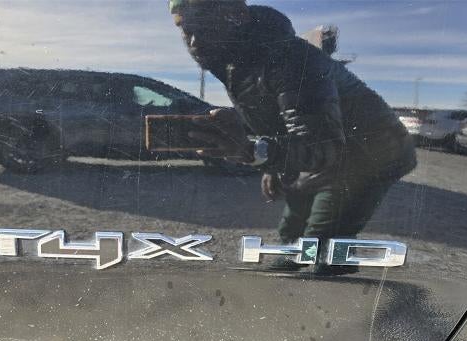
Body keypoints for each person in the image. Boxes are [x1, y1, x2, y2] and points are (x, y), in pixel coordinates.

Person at [170, 0, 417, 273]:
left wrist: (255, 151)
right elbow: (281, 120)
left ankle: (332, 282)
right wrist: (270, 161)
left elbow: (321, 147)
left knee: (325, 242)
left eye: (206, 26)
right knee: (292, 232)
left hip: (373, 151)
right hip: (329, 149)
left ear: (237, 14)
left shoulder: (290, 58)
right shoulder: (235, 62)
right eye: (185, 29)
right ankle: (298, 266)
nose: (194, 41)